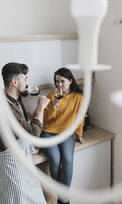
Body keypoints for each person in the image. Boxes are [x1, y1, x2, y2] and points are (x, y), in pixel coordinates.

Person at [0, 62, 50, 204]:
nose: (27, 83)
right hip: (13, 166)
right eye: (25, 79)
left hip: (23, 159)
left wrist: (29, 148)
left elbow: (22, 128)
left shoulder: (14, 99)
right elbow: (32, 132)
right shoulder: (3, 107)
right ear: (14, 82)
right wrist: (40, 108)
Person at [41, 67, 84, 204]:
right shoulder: (51, 96)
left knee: (68, 160)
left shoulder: (78, 97)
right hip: (48, 132)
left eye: (62, 81)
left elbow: (80, 117)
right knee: (55, 160)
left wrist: (79, 134)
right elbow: (46, 121)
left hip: (66, 134)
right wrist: (53, 107)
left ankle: (62, 198)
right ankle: (64, 199)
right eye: (57, 82)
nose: (59, 85)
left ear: (70, 81)